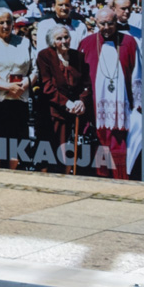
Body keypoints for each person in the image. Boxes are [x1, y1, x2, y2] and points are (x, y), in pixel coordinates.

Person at [77, 8, 139, 178]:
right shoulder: (87, 43)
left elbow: (137, 75)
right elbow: (79, 75)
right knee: (99, 140)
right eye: (102, 23)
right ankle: (100, 176)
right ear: (95, 23)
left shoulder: (129, 42)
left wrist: (138, 104)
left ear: (116, 22)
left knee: (118, 141)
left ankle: (121, 177)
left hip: (122, 103)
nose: (106, 27)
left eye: (110, 23)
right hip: (95, 104)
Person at [35, 23, 90, 176]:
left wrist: (81, 101)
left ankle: (65, 178)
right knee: (49, 151)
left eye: (66, 37)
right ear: (52, 42)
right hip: (51, 113)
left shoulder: (78, 56)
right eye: (59, 38)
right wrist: (67, 103)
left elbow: (86, 84)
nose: (64, 41)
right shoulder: (45, 56)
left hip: (73, 113)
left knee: (67, 151)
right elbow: (47, 86)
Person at [0, 8, 33, 170]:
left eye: (8, 22)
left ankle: (14, 174)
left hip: (19, 99)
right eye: (1, 22)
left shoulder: (24, 42)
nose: (5, 25)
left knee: (17, 143)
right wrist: (7, 86)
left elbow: (35, 70)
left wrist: (24, 84)